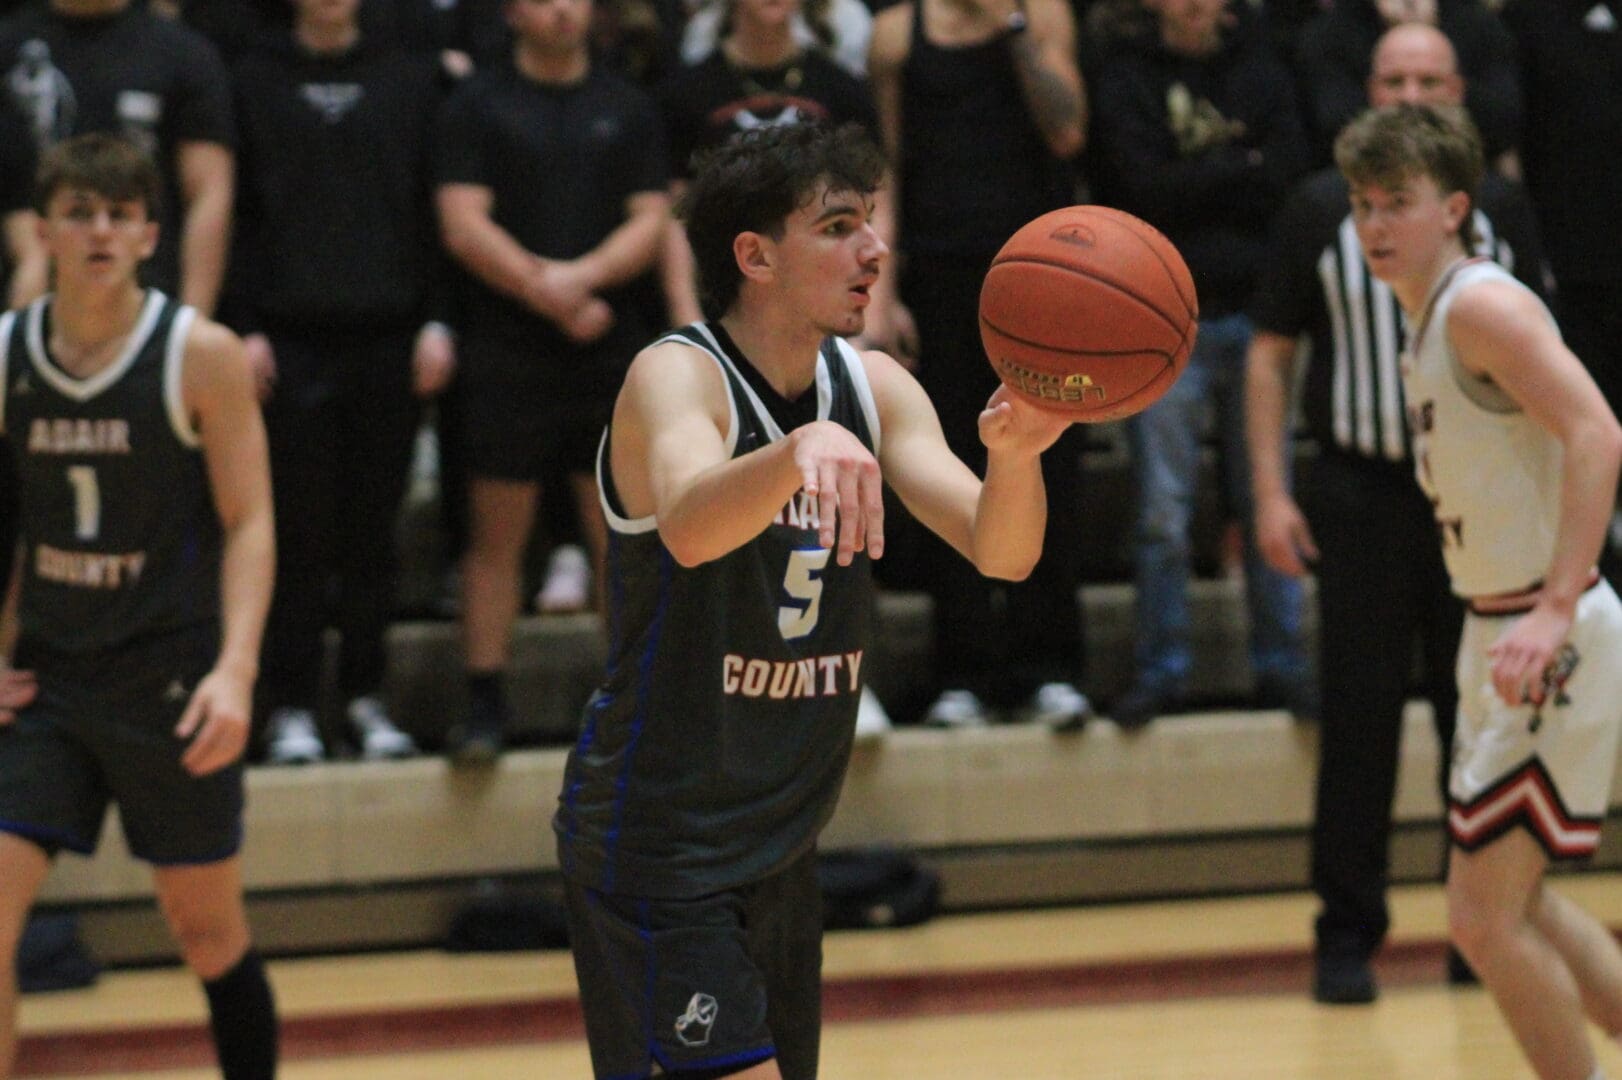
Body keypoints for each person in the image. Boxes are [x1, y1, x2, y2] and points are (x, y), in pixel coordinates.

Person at [553, 120, 1073, 1080]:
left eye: (872, 220)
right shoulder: (677, 376)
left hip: (782, 839)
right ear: (754, 256)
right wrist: (797, 452)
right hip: (659, 842)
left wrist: (1017, 458)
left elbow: (1001, 551)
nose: (874, 249)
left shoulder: (872, 384)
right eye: (838, 227)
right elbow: (690, 525)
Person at [1246, 22, 1549, 1004]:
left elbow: (1551, 376)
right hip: (1362, 494)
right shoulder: (1315, 210)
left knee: (1481, 721)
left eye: (1429, 78)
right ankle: (1345, 934)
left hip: (1478, 499)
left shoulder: (1501, 210)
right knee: (1357, 721)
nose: (1411, 95)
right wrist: (1269, 492)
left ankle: (1483, 931)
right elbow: (1269, 354)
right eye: (1393, 78)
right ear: (1366, 90)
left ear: (1460, 91)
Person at [1338, 101, 1622, 1080]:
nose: (1375, 223)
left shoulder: (1481, 307)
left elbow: (1597, 433)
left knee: (1481, 918)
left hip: (1545, 628)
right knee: (1517, 902)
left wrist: (1554, 606)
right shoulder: (1424, 316)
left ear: (1453, 207)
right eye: (1362, 204)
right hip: (1496, 626)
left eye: (1397, 202)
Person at [0, 134, 277, 1078]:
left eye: (120, 215)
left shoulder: (200, 354)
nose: (100, 232)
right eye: (79, 213)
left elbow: (250, 521)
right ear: (43, 232)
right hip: (49, 679)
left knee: (207, 932)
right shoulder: (8, 355)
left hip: (168, 677)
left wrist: (236, 671)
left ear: (151, 235)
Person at [436, 0, 669, 760]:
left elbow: (651, 218)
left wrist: (582, 280)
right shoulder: (477, 104)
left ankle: (630, 703)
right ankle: (483, 702)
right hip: (507, 349)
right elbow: (462, 222)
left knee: (619, 538)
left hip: (606, 346)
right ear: (511, 11)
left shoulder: (626, 104)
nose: (563, 9)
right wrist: (550, 292)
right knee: (495, 535)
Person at [229, 0, 450, 764]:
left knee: (371, 533)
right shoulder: (251, 77)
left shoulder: (409, 76)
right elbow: (237, 210)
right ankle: (290, 704)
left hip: (389, 332)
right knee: (296, 531)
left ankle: (365, 696)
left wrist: (437, 320)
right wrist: (242, 323)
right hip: (287, 336)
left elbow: (431, 205)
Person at [868, 0, 1092, 729]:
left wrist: (1012, 29)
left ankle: (1052, 666)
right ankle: (961, 671)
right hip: (939, 276)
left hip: (1039, 279)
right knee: (948, 462)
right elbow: (887, 170)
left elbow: (1067, 130)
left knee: (1049, 463)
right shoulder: (896, 32)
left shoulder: (1041, 15)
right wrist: (883, 292)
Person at [1090, 0, 1313, 728]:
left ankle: (1283, 667)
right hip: (1161, 318)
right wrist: (1240, 166)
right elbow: (1136, 189)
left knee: (1266, 497)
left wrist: (1194, 179)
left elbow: (1290, 179)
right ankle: (1162, 672)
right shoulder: (1124, 76)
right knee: (1162, 512)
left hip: (1259, 317)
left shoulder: (1265, 66)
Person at [0, 0, 237, 316]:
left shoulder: (182, 53)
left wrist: (191, 319)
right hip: (29, 289)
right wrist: (31, 265)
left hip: (148, 293)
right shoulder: (9, 46)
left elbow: (208, 192)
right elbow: (13, 189)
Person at [1500, 0, 1622, 580]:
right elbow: (1511, 145)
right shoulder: (1529, 20)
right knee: (1589, 425)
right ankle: (1591, 576)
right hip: (1573, 271)